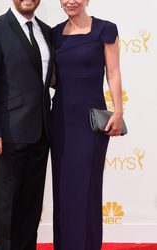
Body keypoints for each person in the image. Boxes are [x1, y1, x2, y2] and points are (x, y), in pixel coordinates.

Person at [0, 0, 53, 249]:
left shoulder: (47, 31)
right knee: (6, 208)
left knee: (31, 207)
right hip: (7, 134)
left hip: (41, 133)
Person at [51, 0, 123, 249]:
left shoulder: (105, 30)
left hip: (90, 124)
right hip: (60, 121)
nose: (70, 1)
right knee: (63, 190)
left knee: (87, 189)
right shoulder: (54, 34)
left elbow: (113, 73)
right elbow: (50, 76)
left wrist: (118, 111)